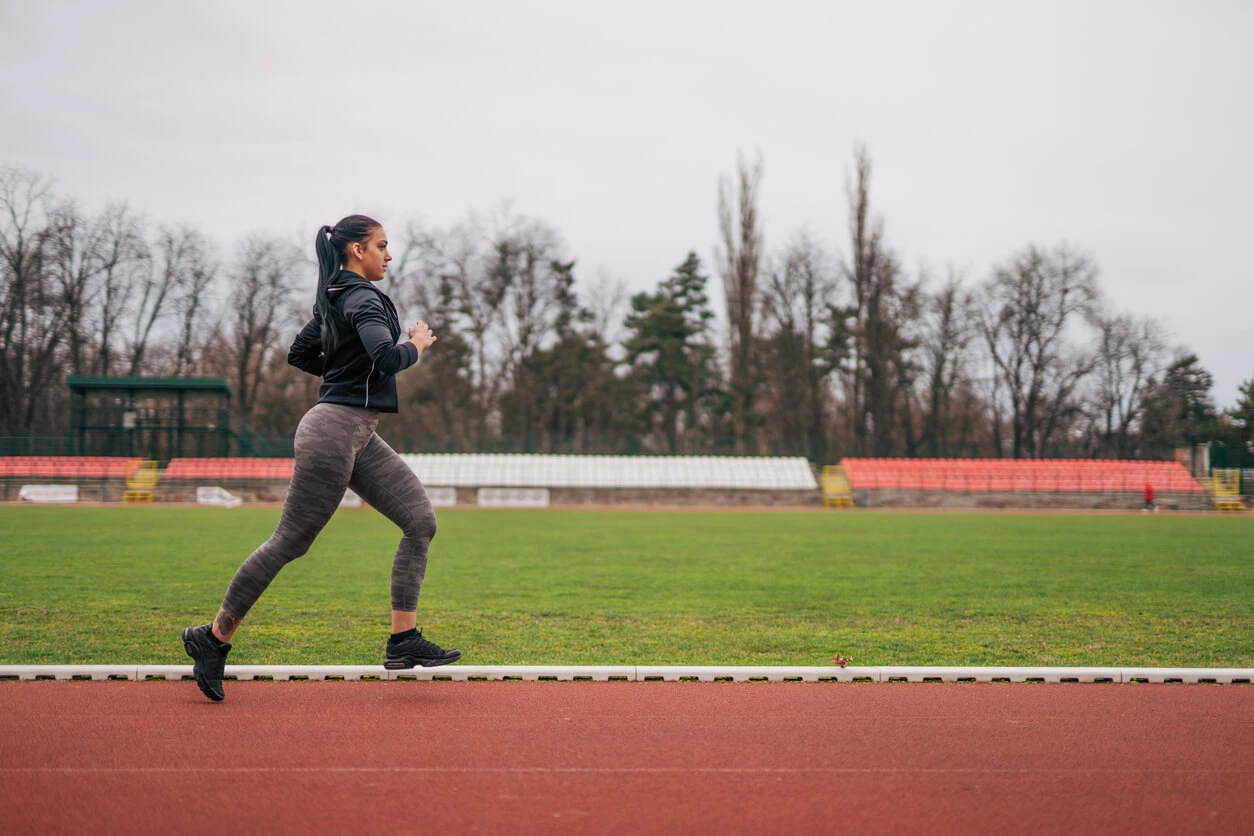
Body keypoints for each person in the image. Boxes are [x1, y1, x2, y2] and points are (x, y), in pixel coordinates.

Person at [182, 214, 460, 702]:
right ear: (357, 250)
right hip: (334, 431)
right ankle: (213, 637)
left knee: (420, 521)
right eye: (382, 246)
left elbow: (301, 354)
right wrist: (415, 344)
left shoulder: (334, 298)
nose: (389, 255)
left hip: (357, 430)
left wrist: (345, 368)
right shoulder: (364, 297)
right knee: (291, 541)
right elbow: (387, 359)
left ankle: (402, 641)